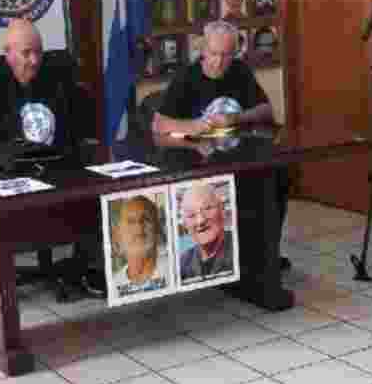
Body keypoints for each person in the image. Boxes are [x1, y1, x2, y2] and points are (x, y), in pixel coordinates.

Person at [0, 18, 103, 293]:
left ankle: (84, 271)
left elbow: (83, 125)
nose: (34, 60)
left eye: (38, 52)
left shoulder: (57, 74)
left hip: (56, 166)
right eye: (26, 53)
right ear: (8, 54)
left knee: (97, 195)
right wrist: (4, 153)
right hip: (7, 172)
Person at [153, 20, 289, 268]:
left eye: (227, 55)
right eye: (215, 54)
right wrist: (194, 131)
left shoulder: (239, 71)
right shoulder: (186, 77)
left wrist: (239, 117)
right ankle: (219, 260)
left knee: (277, 176)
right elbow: (159, 127)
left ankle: (264, 255)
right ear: (204, 49)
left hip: (236, 153)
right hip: (197, 155)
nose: (219, 62)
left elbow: (266, 110)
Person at [110, 195, 169, 297]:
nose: (139, 226)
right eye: (131, 221)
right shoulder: (114, 285)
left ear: (157, 229)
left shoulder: (175, 267)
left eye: (145, 219)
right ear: (118, 233)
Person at [178, 183, 235, 283]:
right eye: (191, 215)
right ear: (185, 225)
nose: (200, 221)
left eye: (207, 208)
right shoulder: (182, 262)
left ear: (222, 211)